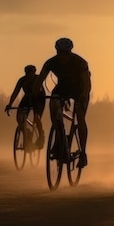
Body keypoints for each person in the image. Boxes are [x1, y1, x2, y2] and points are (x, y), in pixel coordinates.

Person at [32, 38, 91, 168]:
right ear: (57, 52)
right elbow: (40, 79)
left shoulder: (80, 62)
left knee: (80, 117)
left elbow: (86, 82)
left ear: (70, 52)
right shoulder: (51, 63)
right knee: (53, 105)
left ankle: (83, 153)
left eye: (66, 53)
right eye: (60, 53)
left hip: (79, 88)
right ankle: (59, 137)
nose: (63, 56)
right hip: (63, 87)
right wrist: (34, 94)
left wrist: (83, 96)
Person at [5, 64, 47, 148]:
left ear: (34, 73)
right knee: (20, 119)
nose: (29, 76)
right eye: (27, 74)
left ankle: (41, 136)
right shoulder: (22, 80)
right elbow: (15, 92)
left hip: (39, 98)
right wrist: (10, 104)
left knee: (36, 117)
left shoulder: (38, 79)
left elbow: (39, 90)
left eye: (30, 74)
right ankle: (27, 133)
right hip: (27, 97)